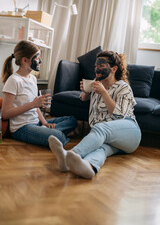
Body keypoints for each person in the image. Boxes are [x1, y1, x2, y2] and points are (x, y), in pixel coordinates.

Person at [48, 50, 141, 179]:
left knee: (100, 127)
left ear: (114, 69)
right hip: (110, 139)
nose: (97, 68)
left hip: (130, 134)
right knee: (101, 149)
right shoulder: (97, 85)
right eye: (96, 66)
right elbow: (83, 99)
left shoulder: (123, 87)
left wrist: (104, 93)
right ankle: (88, 167)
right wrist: (86, 92)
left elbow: (118, 116)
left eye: (101, 65)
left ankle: (68, 155)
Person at [1, 40, 77, 147]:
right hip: (22, 128)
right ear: (25, 60)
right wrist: (32, 104)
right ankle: (54, 136)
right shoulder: (13, 80)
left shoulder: (32, 78)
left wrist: (45, 123)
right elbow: (5, 113)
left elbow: (36, 107)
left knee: (72, 120)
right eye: (37, 58)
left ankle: (44, 131)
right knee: (58, 136)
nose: (40, 61)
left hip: (37, 122)